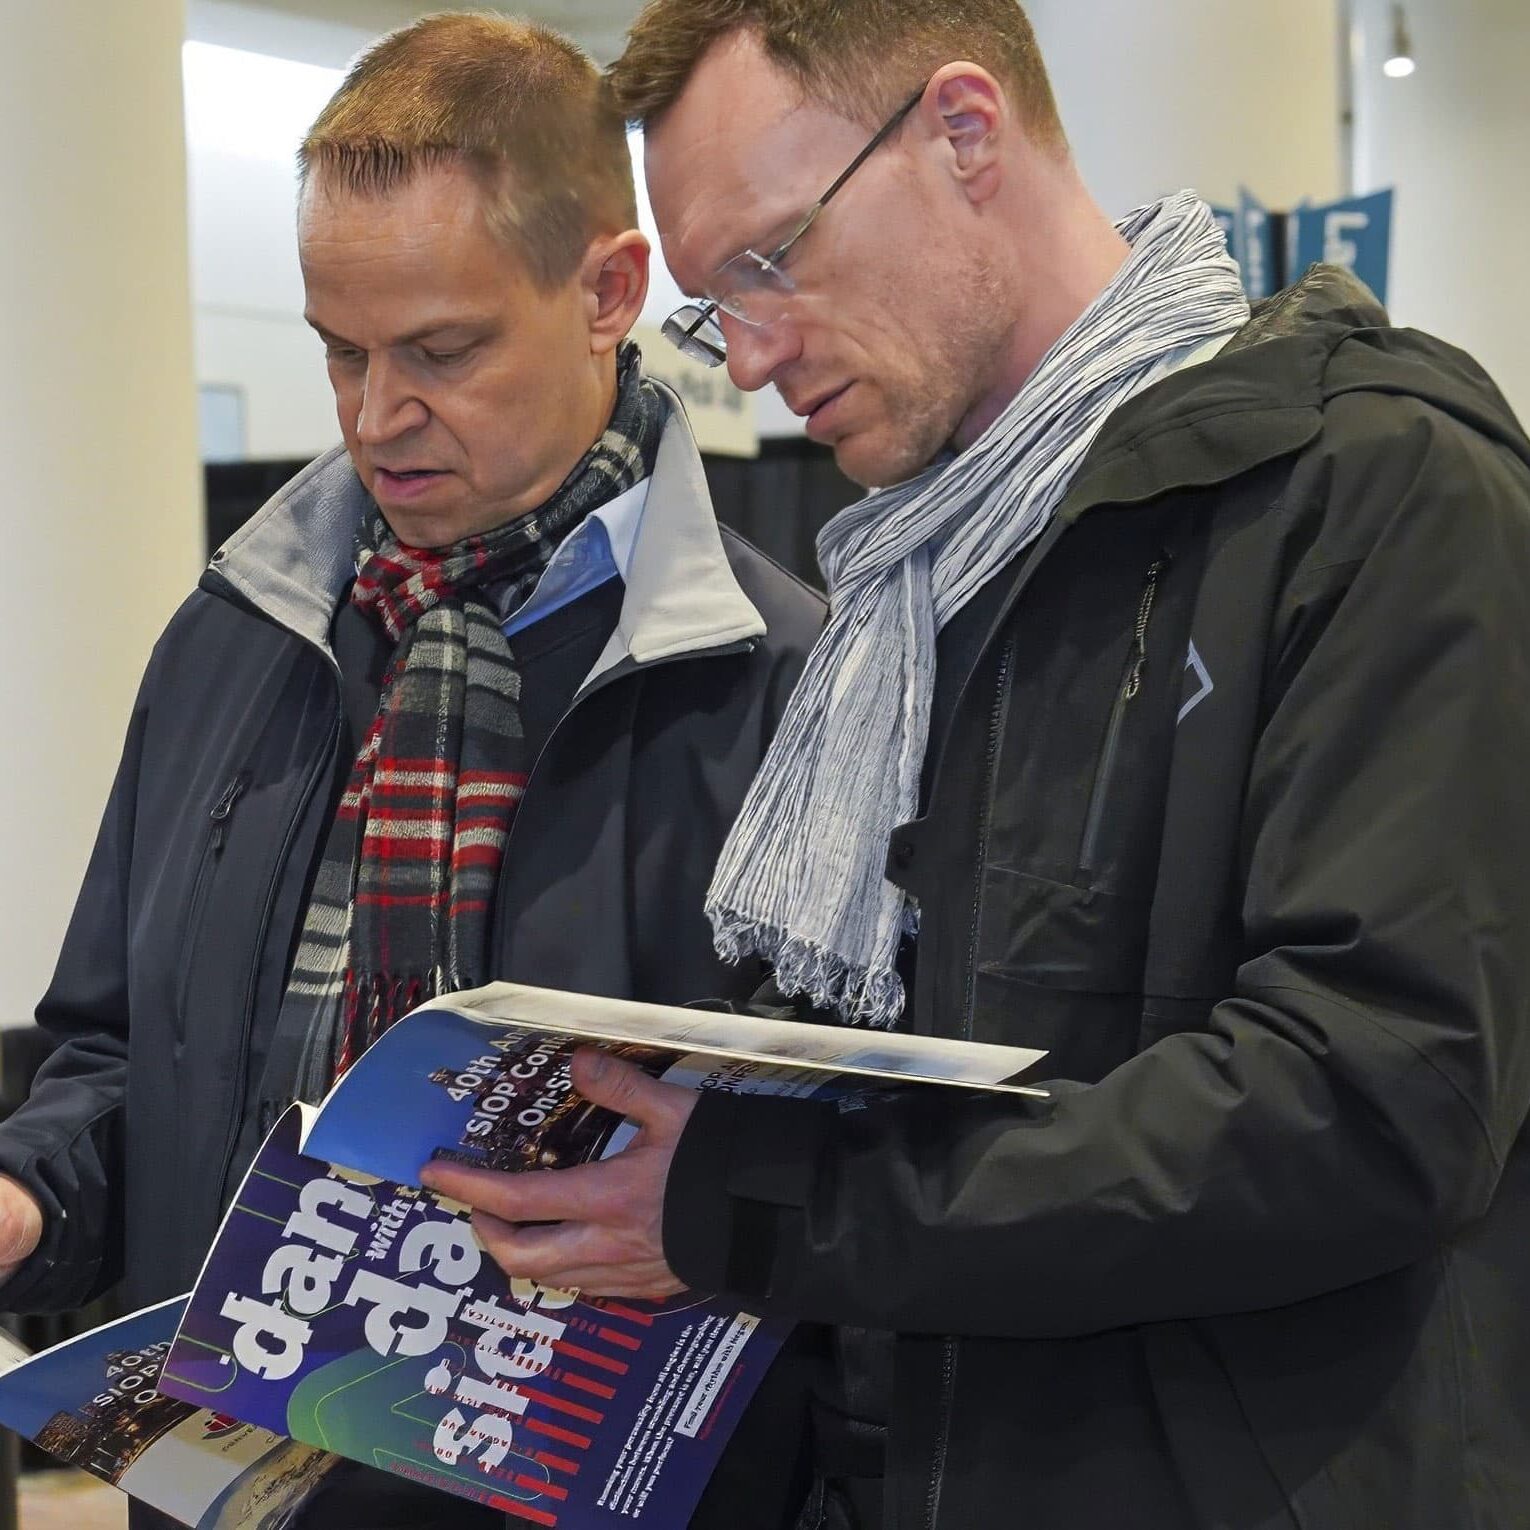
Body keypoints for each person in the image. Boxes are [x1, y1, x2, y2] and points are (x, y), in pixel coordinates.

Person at [419, 3, 1530, 1528]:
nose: (747, 356)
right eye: (709, 306)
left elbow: (1372, 1106)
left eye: (770, 257)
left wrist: (754, 1200)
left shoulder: (1373, 492)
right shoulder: (898, 581)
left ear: (960, 131)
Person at [0, 13, 824, 1528]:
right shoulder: (233, 640)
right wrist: (28, 1198)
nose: (377, 417)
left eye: (441, 352)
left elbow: (829, 1182)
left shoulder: (778, 682)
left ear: (607, 290)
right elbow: (124, 1058)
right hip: (229, 1489)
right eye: (338, 351)